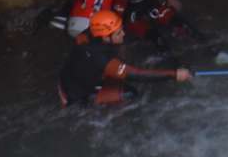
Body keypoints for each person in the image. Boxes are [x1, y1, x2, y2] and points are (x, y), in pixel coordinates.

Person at [57, 11, 191, 107]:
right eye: (118, 33)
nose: (123, 33)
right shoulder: (102, 58)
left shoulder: (87, 34)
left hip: (72, 75)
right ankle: (87, 104)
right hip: (75, 93)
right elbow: (137, 74)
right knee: (130, 93)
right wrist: (174, 74)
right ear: (105, 37)